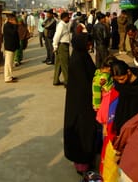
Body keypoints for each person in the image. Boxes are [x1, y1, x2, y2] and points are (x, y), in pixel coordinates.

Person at [64, 23, 98, 176]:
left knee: (85, 132)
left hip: (82, 103)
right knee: (81, 133)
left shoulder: (81, 56)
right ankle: (82, 165)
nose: (90, 45)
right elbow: (84, 84)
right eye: (88, 42)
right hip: (81, 104)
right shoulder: (78, 60)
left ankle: (85, 160)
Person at [52, 12, 70, 86]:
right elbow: (57, 36)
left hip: (63, 45)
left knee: (59, 63)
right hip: (62, 46)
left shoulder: (64, 25)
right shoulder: (61, 25)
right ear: (65, 18)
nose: (69, 18)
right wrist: (55, 46)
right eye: (68, 17)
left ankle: (56, 80)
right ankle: (67, 81)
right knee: (65, 64)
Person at [3, 13, 20, 83]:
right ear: (11, 20)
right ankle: (7, 78)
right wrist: (16, 25)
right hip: (9, 46)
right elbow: (13, 33)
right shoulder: (7, 26)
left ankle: (10, 75)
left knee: (10, 63)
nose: (15, 21)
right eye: (14, 19)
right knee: (8, 63)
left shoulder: (10, 25)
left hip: (12, 46)